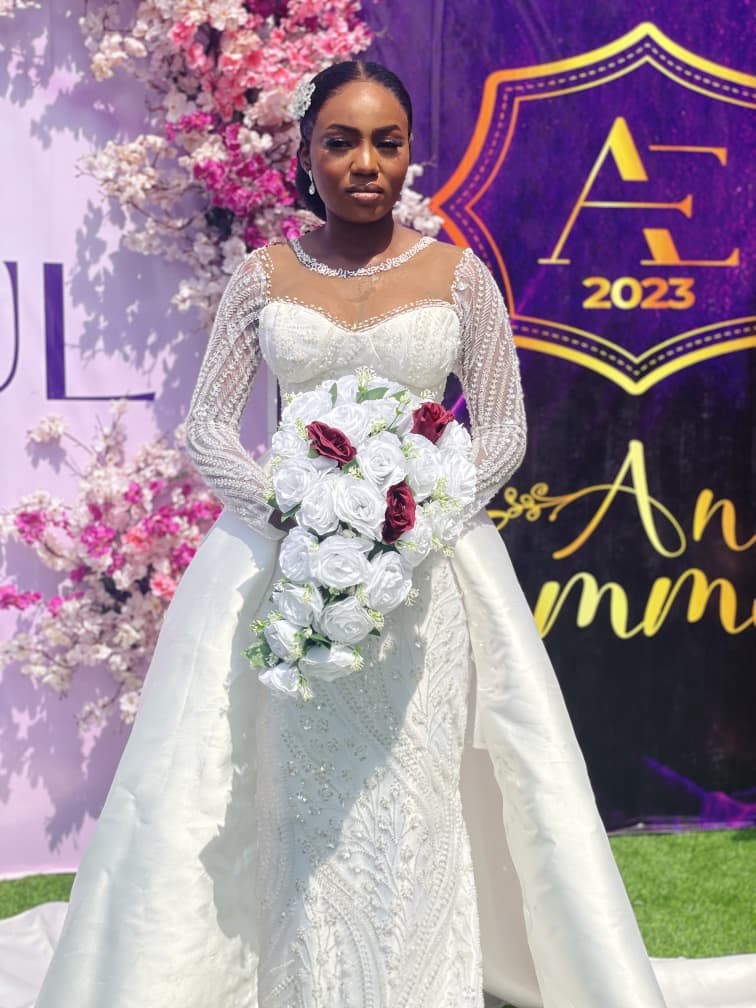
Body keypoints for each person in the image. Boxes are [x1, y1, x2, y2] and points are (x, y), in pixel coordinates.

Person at [31, 60, 755, 1008]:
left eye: (386, 141)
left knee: (417, 785)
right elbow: (208, 426)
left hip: (428, 578)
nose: (364, 163)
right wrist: (294, 514)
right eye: (340, 142)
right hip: (289, 573)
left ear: (411, 152)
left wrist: (410, 527)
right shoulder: (263, 276)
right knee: (295, 787)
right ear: (306, 155)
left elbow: (503, 430)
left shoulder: (459, 276)